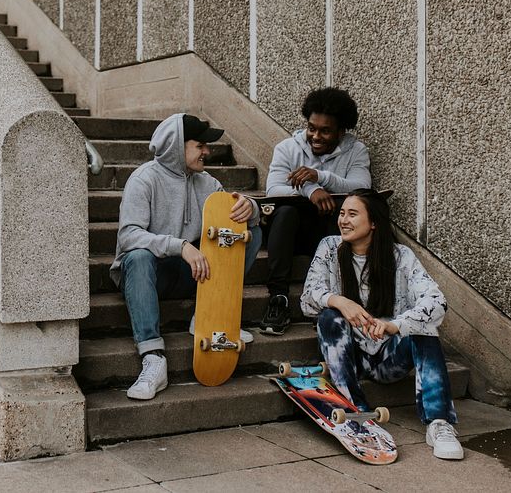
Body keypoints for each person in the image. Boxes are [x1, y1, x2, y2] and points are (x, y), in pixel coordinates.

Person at [301, 189, 463, 460]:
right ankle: (355, 409)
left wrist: (396, 326)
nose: (343, 220)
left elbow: (437, 302)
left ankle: (439, 423)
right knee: (329, 316)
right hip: (350, 358)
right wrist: (340, 301)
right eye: (342, 213)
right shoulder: (330, 248)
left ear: (373, 222)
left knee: (423, 327)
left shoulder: (401, 257)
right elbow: (308, 298)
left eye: (353, 214)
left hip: (389, 358)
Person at [111, 113, 262, 400]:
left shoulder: (207, 183)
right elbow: (129, 235)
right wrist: (180, 246)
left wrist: (250, 208)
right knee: (138, 257)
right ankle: (153, 359)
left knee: (251, 236)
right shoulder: (144, 179)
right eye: (200, 145)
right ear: (177, 146)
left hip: (193, 274)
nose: (207, 151)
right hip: (149, 277)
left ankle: (207, 317)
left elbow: (234, 220)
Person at [259, 87, 371, 336]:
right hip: (289, 234)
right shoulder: (287, 148)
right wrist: (311, 190)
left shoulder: (356, 151)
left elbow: (362, 188)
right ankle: (279, 299)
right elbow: (273, 190)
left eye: (325, 130)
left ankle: (330, 301)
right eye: (312, 128)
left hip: (329, 231)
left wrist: (320, 177)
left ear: (342, 132)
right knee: (286, 212)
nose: (316, 136)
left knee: (342, 215)